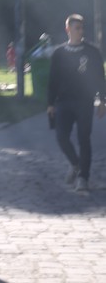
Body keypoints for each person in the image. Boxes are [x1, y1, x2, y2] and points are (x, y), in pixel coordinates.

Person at [46, 13, 106, 193]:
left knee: (83, 138)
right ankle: (75, 164)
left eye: (81, 28)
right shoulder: (59, 53)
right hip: (63, 101)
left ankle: (83, 178)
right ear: (68, 29)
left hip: (84, 101)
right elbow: (53, 79)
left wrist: (102, 101)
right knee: (61, 137)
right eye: (76, 28)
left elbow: (99, 77)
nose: (80, 31)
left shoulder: (92, 52)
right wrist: (50, 103)